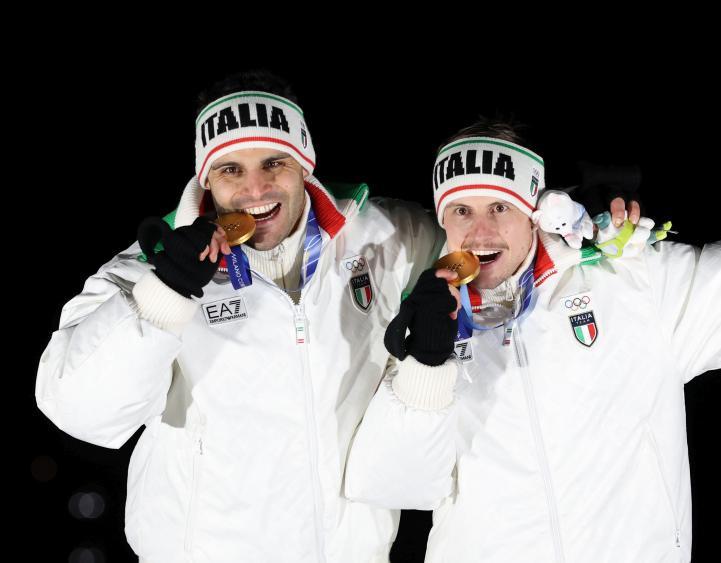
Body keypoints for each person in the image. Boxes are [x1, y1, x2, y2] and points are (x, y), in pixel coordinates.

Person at [345, 118, 721, 562]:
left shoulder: (626, 279)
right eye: (460, 211)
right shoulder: (429, 323)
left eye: (500, 208)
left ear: (535, 211)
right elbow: (397, 484)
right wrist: (426, 364)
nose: (480, 231)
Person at [34, 71, 448, 562]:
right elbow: (80, 411)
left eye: (274, 162)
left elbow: (490, 248)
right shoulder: (148, 267)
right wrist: (164, 293)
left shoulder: (388, 238)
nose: (256, 188)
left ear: (304, 165)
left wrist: (560, 236)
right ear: (205, 179)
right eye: (231, 169)